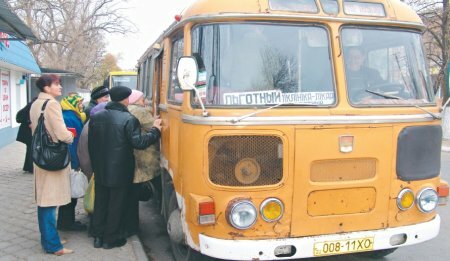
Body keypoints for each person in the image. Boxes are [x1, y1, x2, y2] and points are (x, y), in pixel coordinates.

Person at [88, 86, 162, 249]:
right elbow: (139, 143)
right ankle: (110, 238)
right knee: (116, 203)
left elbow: (91, 144)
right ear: (126, 99)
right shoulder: (128, 119)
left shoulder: (97, 116)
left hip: (100, 168)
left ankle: (98, 237)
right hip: (120, 170)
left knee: (101, 202)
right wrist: (156, 130)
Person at [29, 74, 74, 256]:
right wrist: (70, 137)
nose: (60, 87)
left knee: (44, 200)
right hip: (52, 160)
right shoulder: (53, 104)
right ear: (47, 88)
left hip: (41, 157)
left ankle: (49, 238)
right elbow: (62, 134)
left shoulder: (36, 103)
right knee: (49, 202)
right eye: (56, 84)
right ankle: (54, 246)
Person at [125, 90, 161, 236]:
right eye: (141, 99)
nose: (144, 101)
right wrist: (157, 122)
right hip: (145, 157)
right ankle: (133, 227)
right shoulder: (139, 111)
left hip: (133, 156)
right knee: (157, 186)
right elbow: (154, 126)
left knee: (132, 196)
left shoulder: (128, 109)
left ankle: (131, 226)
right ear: (136, 100)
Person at [57, 94, 87, 231]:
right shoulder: (69, 118)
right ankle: (66, 223)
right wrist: (75, 162)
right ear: (72, 103)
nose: (81, 105)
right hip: (71, 160)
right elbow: (71, 143)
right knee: (69, 195)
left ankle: (67, 221)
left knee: (69, 194)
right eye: (80, 103)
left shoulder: (73, 116)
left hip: (71, 159)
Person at [16, 97, 37, 173]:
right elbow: (21, 117)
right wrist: (29, 122)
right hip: (27, 132)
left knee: (30, 149)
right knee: (31, 149)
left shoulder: (30, 106)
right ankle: (31, 168)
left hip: (27, 132)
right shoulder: (31, 106)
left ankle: (28, 167)